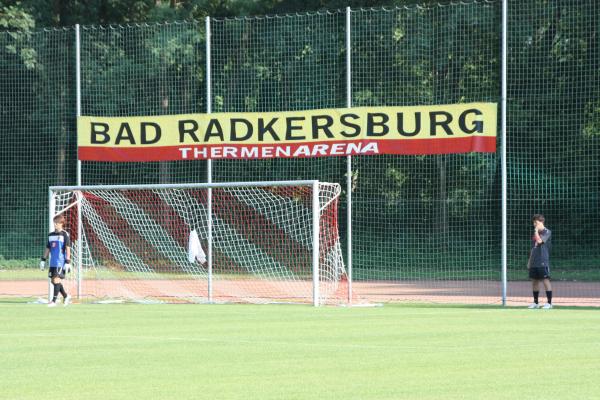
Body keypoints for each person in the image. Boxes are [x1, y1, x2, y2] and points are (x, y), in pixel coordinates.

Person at [40, 214, 72, 307]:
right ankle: (66, 296)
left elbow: (67, 248)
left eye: (57, 223)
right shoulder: (50, 235)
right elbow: (48, 248)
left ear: (61, 223)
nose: (55, 225)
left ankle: (53, 301)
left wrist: (67, 262)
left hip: (60, 262)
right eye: (54, 223)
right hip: (52, 262)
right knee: (53, 281)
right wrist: (43, 260)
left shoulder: (64, 234)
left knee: (57, 279)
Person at [527, 214, 552, 309]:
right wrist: (529, 261)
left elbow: (540, 241)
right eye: (533, 223)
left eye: (536, 222)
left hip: (543, 261)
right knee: (534, 281)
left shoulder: (547, 232)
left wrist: (536, 231)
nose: (534, 224)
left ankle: (549, 303)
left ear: (541, 222)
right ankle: (536, 302)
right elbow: (533, 248)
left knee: (545, 281)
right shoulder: (535, 233)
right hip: (534, 261)